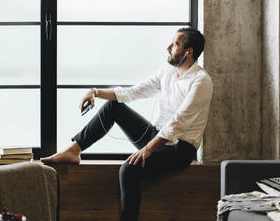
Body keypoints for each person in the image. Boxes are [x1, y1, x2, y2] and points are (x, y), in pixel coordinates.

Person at [41, 27, 213, 221]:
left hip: (179, 149)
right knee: (114, 107)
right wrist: (95, 92)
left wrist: (147, 149)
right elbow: (134, 92)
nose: (168, 47)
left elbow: (178, 123)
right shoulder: (168, 72)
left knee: (128, 170)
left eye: (175, 44)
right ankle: (74, 150)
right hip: (156, 137)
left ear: (188, 51)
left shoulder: (201, 81)